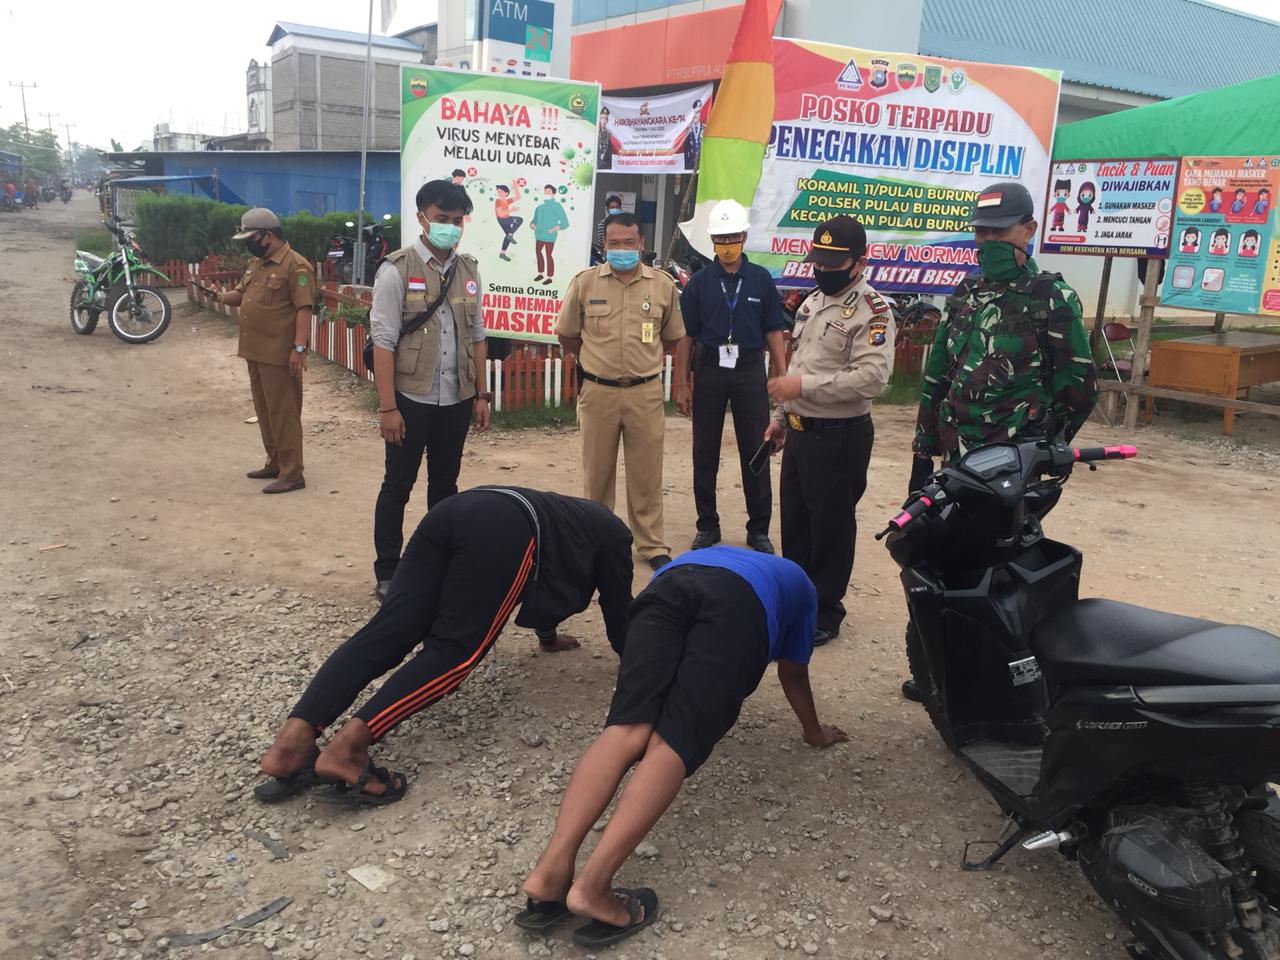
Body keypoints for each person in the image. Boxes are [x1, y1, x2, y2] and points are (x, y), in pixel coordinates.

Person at [518, 546, 847, 947]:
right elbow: (793, 673)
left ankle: (549, 872)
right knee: (672, 742)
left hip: (668, 586)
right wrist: (815, 733)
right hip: (738, 607)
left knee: (626, 728)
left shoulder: (712, 552)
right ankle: (593, 888)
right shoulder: (802, 586)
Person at [257, 487, 635, 805]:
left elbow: (550, 585)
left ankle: (291, 745)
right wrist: (639, 664)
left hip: (457, 510)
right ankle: (348, 749)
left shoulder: (573, 518)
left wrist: (549, 640)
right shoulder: (617, 537)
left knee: (388, 631)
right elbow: (618, 609)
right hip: (507, 529)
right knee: (455, 653)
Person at [905, 181, 1098, 700]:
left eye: (999, 230)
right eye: (981, 230)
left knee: (1006, 570)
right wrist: (923, 455)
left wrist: (1042, 450)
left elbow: (1078, 387)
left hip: (1012, 470)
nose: (987, 240)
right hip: (957, 462)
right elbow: (937, 377)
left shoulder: (1049, 298)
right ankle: (940, 668)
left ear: (1029, 230)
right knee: (945, 561)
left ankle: (1008, 678)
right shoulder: (966, 294)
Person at [761, 215, 895, 647]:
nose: (824, 269)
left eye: (834, 262)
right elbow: (802, 364)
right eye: (819, 260)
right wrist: (782, 418)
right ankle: (797, 598)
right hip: (801, 432)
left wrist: (802, 388)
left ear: (859, 262)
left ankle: (826, 610)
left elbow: (872, 379)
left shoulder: (874, 311)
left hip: (840, 436)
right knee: (796, 523)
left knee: (831, 526)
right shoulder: (813, 303)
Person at [369, 179, 490, 602]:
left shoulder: (469, 269)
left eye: (457, 221)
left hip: (456, 398)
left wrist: (481, 395)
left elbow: (477, 335)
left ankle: (438, 565)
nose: (451, 228)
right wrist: (388, 408)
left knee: (445, 486)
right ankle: (388, 571)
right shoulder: (397, 269)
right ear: (422, 217)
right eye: (442, 219)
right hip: (410, 398)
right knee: (398, 485)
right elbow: (383, 340)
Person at [557, 212, 686, 571]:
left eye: (629, 243)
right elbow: (567, 333)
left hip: (644, 392)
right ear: (604, 245)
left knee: (646, 475)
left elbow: (673, 337)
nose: (622, 249)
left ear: (641, 244)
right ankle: (595, 542)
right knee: (596, 475)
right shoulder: (585, 283)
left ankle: (650, 544)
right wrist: (592, 360)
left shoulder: (661, 285)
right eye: (614, 243)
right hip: (598, 392)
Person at [674, 199, 787, 554]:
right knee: (704, 450)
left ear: (744, 236)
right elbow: (686, 336)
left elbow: (774, 331)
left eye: (733, 237)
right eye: (720, 238)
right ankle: (707, 525)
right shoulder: (699, 283)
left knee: (756, 447)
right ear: (711, 240)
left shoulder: (761, 280)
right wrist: (681, 382)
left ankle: (759, 529)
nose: (727, 245)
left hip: (749, 370)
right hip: (708, 371)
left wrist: (782, 377)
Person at [217, 208, 316, 494]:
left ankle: (293, 472)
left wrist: (298, 349)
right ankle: (275, 462)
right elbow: (242, 294)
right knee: (265, 410)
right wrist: (222, 296)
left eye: (250, 237)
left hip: (279, 354)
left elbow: (304, 310)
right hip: (255, 350)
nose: (247, 243)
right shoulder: (257, 262)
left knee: (283, 412)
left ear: (268, 236)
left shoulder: (296, 267)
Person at [530, 184, 570, 286]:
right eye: (545, 191)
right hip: (539, 235)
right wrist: (532, 224)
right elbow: (534, 220)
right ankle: (540, 273)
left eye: (548, 191)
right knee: (538, 252)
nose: (546, 193)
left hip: (550, 236)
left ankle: (549, 277)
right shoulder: (539, 207)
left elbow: (565, 223)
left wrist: (555, 228)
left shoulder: (557, 206)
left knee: (548, 255)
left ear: (553, 193)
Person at [494, 183, 523, 261]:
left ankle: (502, 253)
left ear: (506, 193)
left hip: (506, 218)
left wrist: (514, 185)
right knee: (519, 220)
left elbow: (518, 197)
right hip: (502, 219)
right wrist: (511, 210)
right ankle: (510, 235)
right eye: (498, 191)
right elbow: (500, 213)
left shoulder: (507, 201)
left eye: (501, 191)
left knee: (507, 236)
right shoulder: (498, 201)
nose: (499, 193)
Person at [593, 195, 623, 264]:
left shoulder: (625, 224)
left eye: (617, 207)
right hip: (607, 257)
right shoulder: (602, 224)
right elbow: (603, 243)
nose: (615, 209)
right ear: (607, 209)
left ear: (620, 208)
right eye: (612, 207)